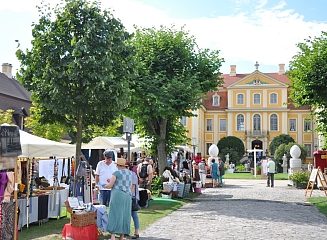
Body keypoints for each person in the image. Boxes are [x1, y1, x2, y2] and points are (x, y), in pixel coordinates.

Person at [103, 158, 133, 240]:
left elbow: (110, 185)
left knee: (114, 214)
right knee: (124, 215)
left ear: (118, 165)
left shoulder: (116, 173)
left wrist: (103, 185)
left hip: (117, 194)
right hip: (127, 195)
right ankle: (122, 236)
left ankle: (113, 236)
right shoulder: (130, 173)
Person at [126, 162, 140, 239]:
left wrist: (129, 196)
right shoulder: (124, 174)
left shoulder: (132, 174)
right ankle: (126, 231)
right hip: (127, 197)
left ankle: (136, 232)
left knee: (134, 215)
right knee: (126, 215)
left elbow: (133, 186)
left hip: (132, 197)